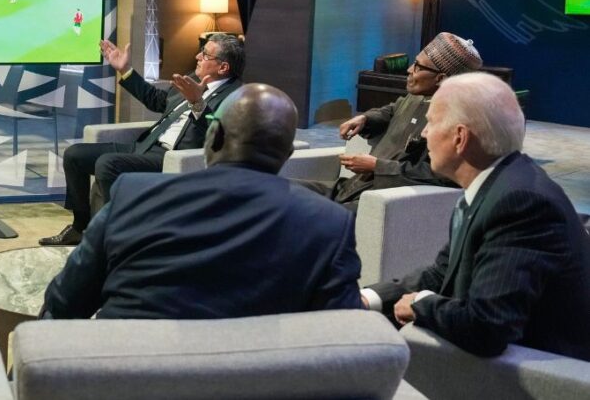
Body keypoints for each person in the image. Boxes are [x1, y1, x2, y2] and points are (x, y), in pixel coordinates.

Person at [44, 84, 361, 319]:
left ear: (214, 136)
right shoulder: (330, 223)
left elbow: (63, 304)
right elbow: (341, 333)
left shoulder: (133, 195)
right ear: (288, 154)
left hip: (129, 373)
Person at [361, 73, 590, 361]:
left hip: (541, 372)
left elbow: (488, 327)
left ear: (460, 137)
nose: (424, 134)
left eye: (431, 123)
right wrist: (369, 297)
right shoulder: (497, 183)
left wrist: (421, 304)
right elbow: (441, 273)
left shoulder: (520, 203)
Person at [41, 33, 244, 246]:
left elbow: (219, 133)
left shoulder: (236, 96)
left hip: (171, 158)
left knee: (108, 164)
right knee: (75, 155)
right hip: (146, 145)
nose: (197, 57)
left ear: (223, 67)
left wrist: (197, 102)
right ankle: (80, 227)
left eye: (205, 54)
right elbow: (157, 100)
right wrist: (125, 70)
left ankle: (113, 237)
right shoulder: (191, 78)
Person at [297, 32, 483, 209]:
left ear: (440, 78)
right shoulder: (417, 96)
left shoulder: (459, 122)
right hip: (351, 188)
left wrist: (377, 166)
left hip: (382, 200)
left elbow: (443, 177)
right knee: (283, 190)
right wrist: (365, 118)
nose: (409, 70)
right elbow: (392, 110)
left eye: (418, 67)